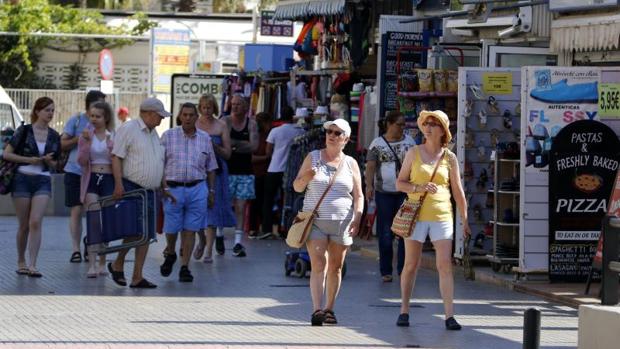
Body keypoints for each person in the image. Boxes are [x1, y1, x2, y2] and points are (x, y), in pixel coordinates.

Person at [395, 110, 471, 330]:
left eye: (434, 124)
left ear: (442, 130)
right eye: (426, 123)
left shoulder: (450, 157)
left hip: (442, 215)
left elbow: (458, 190)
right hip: (415, 215)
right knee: (411, 265)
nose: (428, 127)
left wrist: (464, 219)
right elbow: (400, 183)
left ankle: (449, 315)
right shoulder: (413, 153)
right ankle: (404, 310)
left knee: (445, 265)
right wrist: (418, 187)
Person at [293, 119, 363, 326]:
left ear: (346, 139)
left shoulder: (351, 163)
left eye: (337, 132)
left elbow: (358, 195)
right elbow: (296, 187)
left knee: (336, 267)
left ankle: (329, 308)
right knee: (318, 264)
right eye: (329, 131)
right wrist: (306, 177)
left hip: (342, 221)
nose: (331, 135)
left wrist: (358, 216)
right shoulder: (312, 157)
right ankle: (317, 309)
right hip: (315, 220)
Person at [108, 97, 169, 289]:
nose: (161, 120)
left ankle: (136, 275)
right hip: (132, 186)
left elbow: (157, 161)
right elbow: (117, 157)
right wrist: (118, 184)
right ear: (149, 114)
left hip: (151, 191)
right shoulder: (129, 129)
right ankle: (119, 264)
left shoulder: (153, 133)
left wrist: (162, 184)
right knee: (135, 231)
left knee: (146, 234)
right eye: (159, 116)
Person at [3, 97, 61, 277]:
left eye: (52, 110)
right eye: (46, 110)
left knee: (35, 221)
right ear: (37, 111)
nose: (50, 114)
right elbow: (7, 154)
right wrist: (30, 160)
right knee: (24, 225)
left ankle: (33, 264)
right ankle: (21, 260)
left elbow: (58, 164)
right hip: (21, 178)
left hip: (42, 179)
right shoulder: (24, 130)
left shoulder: (54, 135)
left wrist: (51, 162)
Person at [160, 103, 217, 282]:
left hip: (197, 188)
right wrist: (164, 187)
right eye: (184, 115)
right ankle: (170, 252)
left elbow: (211, 167)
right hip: (173, 189)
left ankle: (185, 267)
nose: (188, 118)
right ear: (180, 116)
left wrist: (212, 191)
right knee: (171, 228)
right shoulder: (168, 136)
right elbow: (159, 164)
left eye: (191, 115)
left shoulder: (205, 138)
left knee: (190, 229)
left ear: (196, 117)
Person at [365, 111, 416, 282]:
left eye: (404, 124)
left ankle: (403, 270)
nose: (403, 128)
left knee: (404, 232)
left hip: (405, 193)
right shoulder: (377, 144)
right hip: (384, 193)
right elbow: (371, 166)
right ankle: (386, 270)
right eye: (399, 124)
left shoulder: (409, 141)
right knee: (386, 232)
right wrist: (369, 186)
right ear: (389, 124)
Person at [61, 90, 106, 264]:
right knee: (76, 210)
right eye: (100, 103)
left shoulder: (105, 122)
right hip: (75, 170)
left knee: (93, 211)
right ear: (90, 105)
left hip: (96, 172)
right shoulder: (76, 120)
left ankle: (90, 244)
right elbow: (63, 143)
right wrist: (79, 138)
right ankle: (75, 249)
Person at [194, 94, 235, 261]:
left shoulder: (221, 125)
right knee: (196, 209)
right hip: (197, 170)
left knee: (212, 208)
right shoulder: (194, 124)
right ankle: (202, 240)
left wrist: (214, 146)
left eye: (209, 107)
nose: (206, 111)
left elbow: (228, 154)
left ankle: (209, 250)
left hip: (217, 171)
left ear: (214, 108)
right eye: (203, 107)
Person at [76, 101, 115, 278]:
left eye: (98, 116)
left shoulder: (113, 135)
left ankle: (102, 262)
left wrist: (110, 144)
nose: (94, 119)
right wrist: (85, 142)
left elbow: (118, 159)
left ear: (106, 117)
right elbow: (81, 161)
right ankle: (91, 264)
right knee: (93, 221)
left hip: (109, 179)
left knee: (107, 222)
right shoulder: (86, 135)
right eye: (91, 116)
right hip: (92, 179)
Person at [260, 106, 304, 239]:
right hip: (291, 171)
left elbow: (268, 151)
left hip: (274, 169)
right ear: (292, 117)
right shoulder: (300, 131)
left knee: (268, 199)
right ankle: (285, 228)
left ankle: (267, 229)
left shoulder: (275, 131)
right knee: (288, 200)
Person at [223, 95, 258, 257]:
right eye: (233, 104)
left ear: (246, 107)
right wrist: (241, 145)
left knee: (240, 207)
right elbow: (223, 144)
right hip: (226, 170)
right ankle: (218, 235)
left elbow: (254, 146)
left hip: (245, 171)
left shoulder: (251, 123)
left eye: (238, 104)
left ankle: (238, 241)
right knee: (224, 205)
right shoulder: (225, 121)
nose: (235, 107)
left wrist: (233, 145)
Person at [249, 111, 272, 239]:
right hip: (257, 172)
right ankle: (254, 228)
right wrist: (266, 157)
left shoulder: (266, 136)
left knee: (260, 201)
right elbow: (251, 158)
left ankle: (258, 228)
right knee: (257, 201)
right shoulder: (257, 137)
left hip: (262, 172)